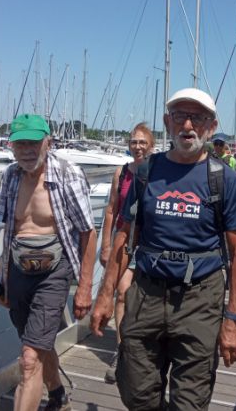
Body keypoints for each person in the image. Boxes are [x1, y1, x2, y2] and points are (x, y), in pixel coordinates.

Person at [91, 87, 236, 410]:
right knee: (135, 391)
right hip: (146, 292)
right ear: (167, 122)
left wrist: (234, 320)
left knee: (191, 401)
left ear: (211, 126)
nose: (188, 125)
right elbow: (125, 236)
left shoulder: (224, 179)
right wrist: (105, 295)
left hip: (200, 298)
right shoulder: (146, 172)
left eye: (198, 118)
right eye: (180, 116)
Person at [0, 114, 97, 411]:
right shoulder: (10, 176)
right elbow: (8, 230)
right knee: (36, 342)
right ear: (12, 147)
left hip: (54, 272)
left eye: (34, 143)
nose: (28, 150)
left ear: (48, 143)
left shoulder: (67, 174)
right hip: (18, 270)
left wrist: (85, 287)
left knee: (29, 359)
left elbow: (87, 232)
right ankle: (57, 393)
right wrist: (3, 278)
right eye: (21, 144)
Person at [99, 122, 155, 384]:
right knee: (121, 292)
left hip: (150, 242)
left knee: (143, 297)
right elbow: (111, 209)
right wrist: (106, 245)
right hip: (124, 240)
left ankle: (142, 349)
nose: (138, 146)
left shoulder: (156, 171)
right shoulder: (121, 172)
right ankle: (121, 352)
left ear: (151, 145)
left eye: (143, 142)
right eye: (134, 142)